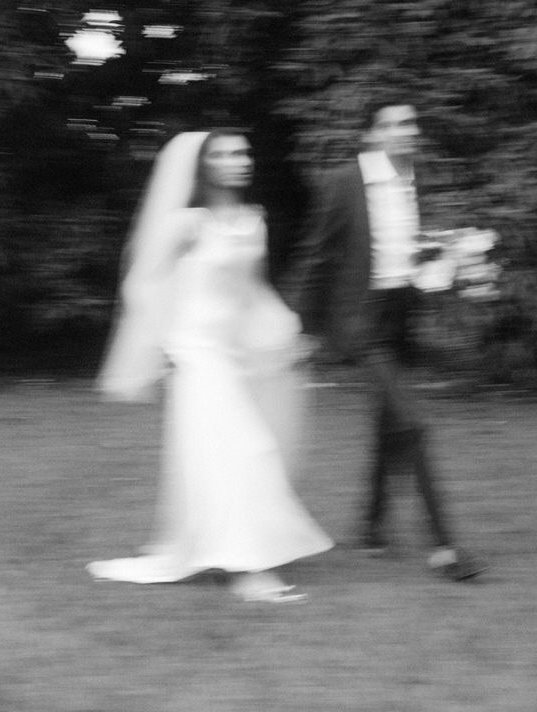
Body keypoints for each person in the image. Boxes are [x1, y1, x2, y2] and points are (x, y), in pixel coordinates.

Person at [86, 129, 333, 603]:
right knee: (248, 449)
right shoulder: (186, 223)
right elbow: (141, 285)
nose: (237, 161)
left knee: (227, 456)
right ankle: (249, 574)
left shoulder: (253, 221)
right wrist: (166, 345)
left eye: (242, 151)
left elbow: (253, 290)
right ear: (202, 167)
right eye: (222, 154)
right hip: (196, 354)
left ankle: (229, 552)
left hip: (235, 351)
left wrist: (283, 331)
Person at [285, 101, 485, 582]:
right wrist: (302, 329)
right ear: (372, 135)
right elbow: (316, 257)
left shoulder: (416, 181)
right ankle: (446, 547)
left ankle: (371, 526)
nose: (406, 132)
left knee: (389, 424)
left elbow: (415, 248)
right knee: (413, 423)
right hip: (361, 323)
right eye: (394, 125)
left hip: (401, 320)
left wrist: (446, 261)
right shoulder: (344, 182)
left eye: (412, 123)